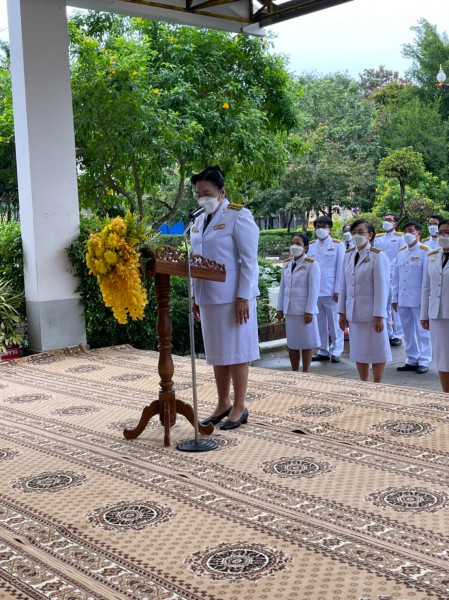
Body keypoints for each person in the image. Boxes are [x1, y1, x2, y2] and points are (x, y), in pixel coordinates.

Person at [190, 166, 260, 429]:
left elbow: (249, 261)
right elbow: (195, 261)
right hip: (208, 297)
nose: (202, 198)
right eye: (198, 194)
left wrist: (244, 297)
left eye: (207, 193)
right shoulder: (198, 221)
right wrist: (194, 295)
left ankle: (239, 406)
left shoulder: (238, 216)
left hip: (233, 298)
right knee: (217, 352)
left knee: (237, 352)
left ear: (222, 192)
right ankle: (223, 402)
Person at [338, 219, 391, 383]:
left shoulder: (377, 255)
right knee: (359, 350)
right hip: (354, 311)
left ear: (370, 235)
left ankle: (377, 383)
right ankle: (364, 382)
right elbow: (343, 285)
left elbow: (382, 288)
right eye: (354, 232)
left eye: (361, 232)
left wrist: (379, 315)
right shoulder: (348, 255)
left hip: (372, 313)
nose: (356, 235)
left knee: (377, 349)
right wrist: (341, 313)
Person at [276, 234, 320, 372]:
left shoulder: (311, 264)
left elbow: (314, 289)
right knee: (293, 343)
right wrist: (280, 308)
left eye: (298, 244)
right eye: (292, 243)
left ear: (305, 247)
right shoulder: (287, 264)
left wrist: (309, 310)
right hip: (290, 309)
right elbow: (283, 288)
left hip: (304, 310)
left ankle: (305, 372)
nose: (294, 246)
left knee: (306, 343)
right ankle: (294, 371)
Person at [392, 221, 431, 374]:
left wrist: (426, 300)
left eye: (411, 231)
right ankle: (412, 358)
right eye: (405, 231)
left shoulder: (425, 252)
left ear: (418, 233)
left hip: (418, 298)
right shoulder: (401, 251)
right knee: (407, 330)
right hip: (403, 298)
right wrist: (394, 298)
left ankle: (424, 360)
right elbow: (396, 277)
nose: (407, 234)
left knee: (422, 332)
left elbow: (427, 278)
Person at [307, 216, 345, 363]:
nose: (320, 229)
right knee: (320, 322)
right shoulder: (311, 246)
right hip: (315, 291)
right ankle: (323, 350)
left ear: (330, 229)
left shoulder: (338, 245)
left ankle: (337, 350)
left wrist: (338, 289)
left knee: (334, 322)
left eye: (324, 227)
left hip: (331, 291)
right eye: (318, 227)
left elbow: (340, 269)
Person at [421, 219, 449, 393]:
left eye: (447, 232)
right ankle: (446, 395)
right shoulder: (431, 256)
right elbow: (426, 288)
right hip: (437, 313)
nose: (443, 236)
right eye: (441, 232)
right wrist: (424, 315)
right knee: (442, 357)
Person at [374, 212, 404, 346]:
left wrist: (388, 267)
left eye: (389, 220)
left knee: (395, 305)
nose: (386, 221)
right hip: (380, 274)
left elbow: (400, 254)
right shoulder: (378, 238)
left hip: (393, 274)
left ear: (395, 223)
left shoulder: (400, 237)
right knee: (383, 304)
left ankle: (398, 334)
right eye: (385, 219)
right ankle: (388, 333)